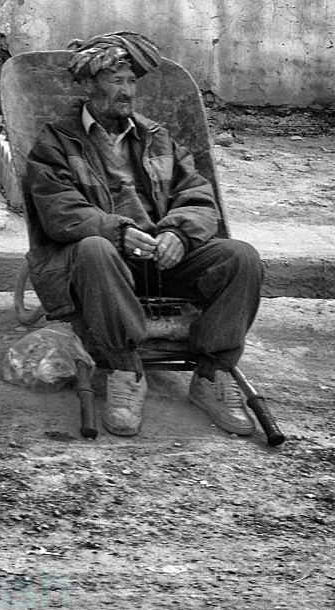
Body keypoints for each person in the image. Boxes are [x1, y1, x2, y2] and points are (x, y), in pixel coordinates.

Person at [22, 31, 264, 437]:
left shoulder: (157, 136)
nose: (126, 91)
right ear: (86, 85)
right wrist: (119, 232)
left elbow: (199, 198)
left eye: (131, 81)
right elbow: (59, 211)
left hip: (162, 259)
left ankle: (211, 375)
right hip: (100, 268)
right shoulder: (56, 143)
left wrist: (179, 235)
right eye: (116, 80)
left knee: (242, 257)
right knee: (96, 248)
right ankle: (124, 370)